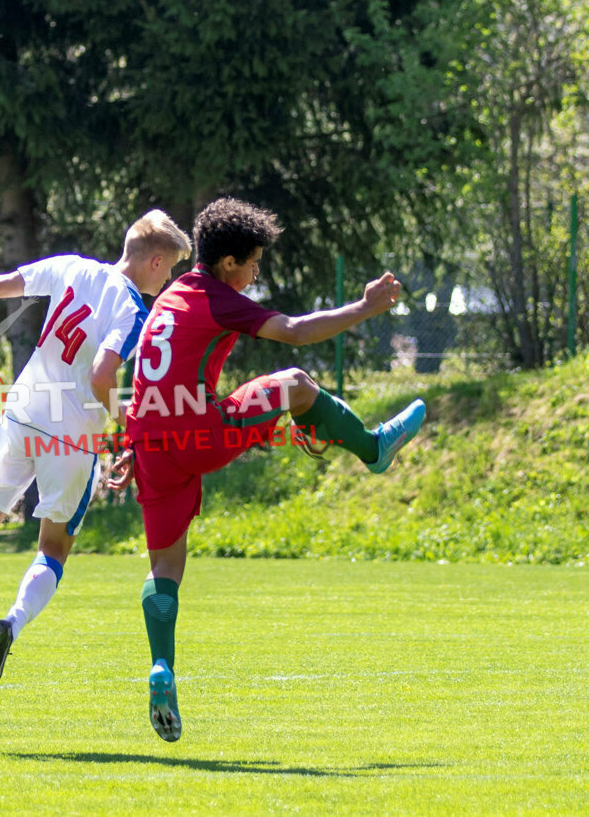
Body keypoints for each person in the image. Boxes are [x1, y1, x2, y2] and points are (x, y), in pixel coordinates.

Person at [120, 197, 426, 742]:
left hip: (149, 439)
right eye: (255, 261)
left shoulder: (172, 297)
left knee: (164, 564)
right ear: (230, 261)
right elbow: (295, 330)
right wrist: (364, 308)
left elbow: (148, 381)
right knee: (298, 383)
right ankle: (372, 448)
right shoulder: (216, 295)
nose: (257, 272)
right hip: (195, 434)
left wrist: (133, 445)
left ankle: (161, 667)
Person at [0, 210, 193, 708]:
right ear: (153, 261)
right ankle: (10, 623)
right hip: (71, 436)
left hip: (23, 413)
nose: (167, 279)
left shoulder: (72, 266)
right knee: (54, 548)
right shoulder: (133, 310)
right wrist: (122, 423)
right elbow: (104, 374)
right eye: (168, 269)